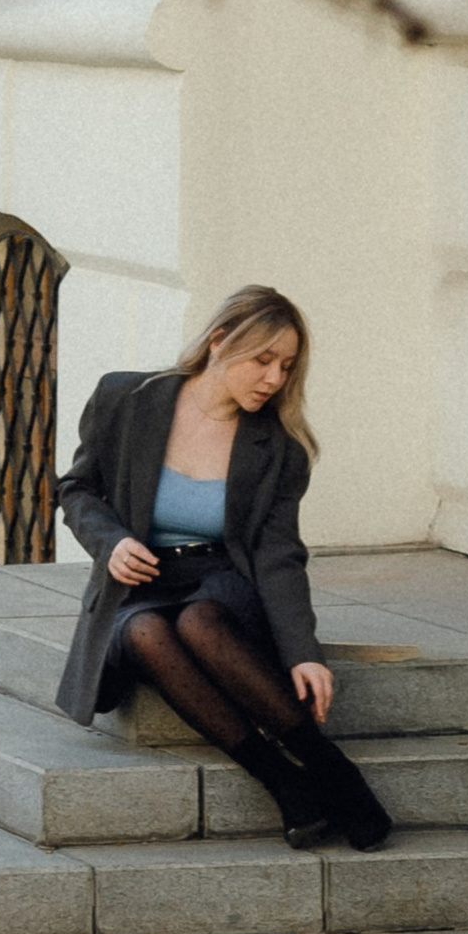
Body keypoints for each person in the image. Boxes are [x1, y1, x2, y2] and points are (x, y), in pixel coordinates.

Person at [52, 287, 392, 851]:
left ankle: (332, 771)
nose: (274, 379)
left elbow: (279, 556)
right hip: (139, 580)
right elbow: (77, 489)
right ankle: (284, 782)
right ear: (218, 342)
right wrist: (109, 542)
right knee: (144, 632)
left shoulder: (279, 448)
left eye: (286, 367)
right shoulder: (127, 398)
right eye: (263, 360)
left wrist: (303, 651)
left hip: (221, 580)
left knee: (199, 625)